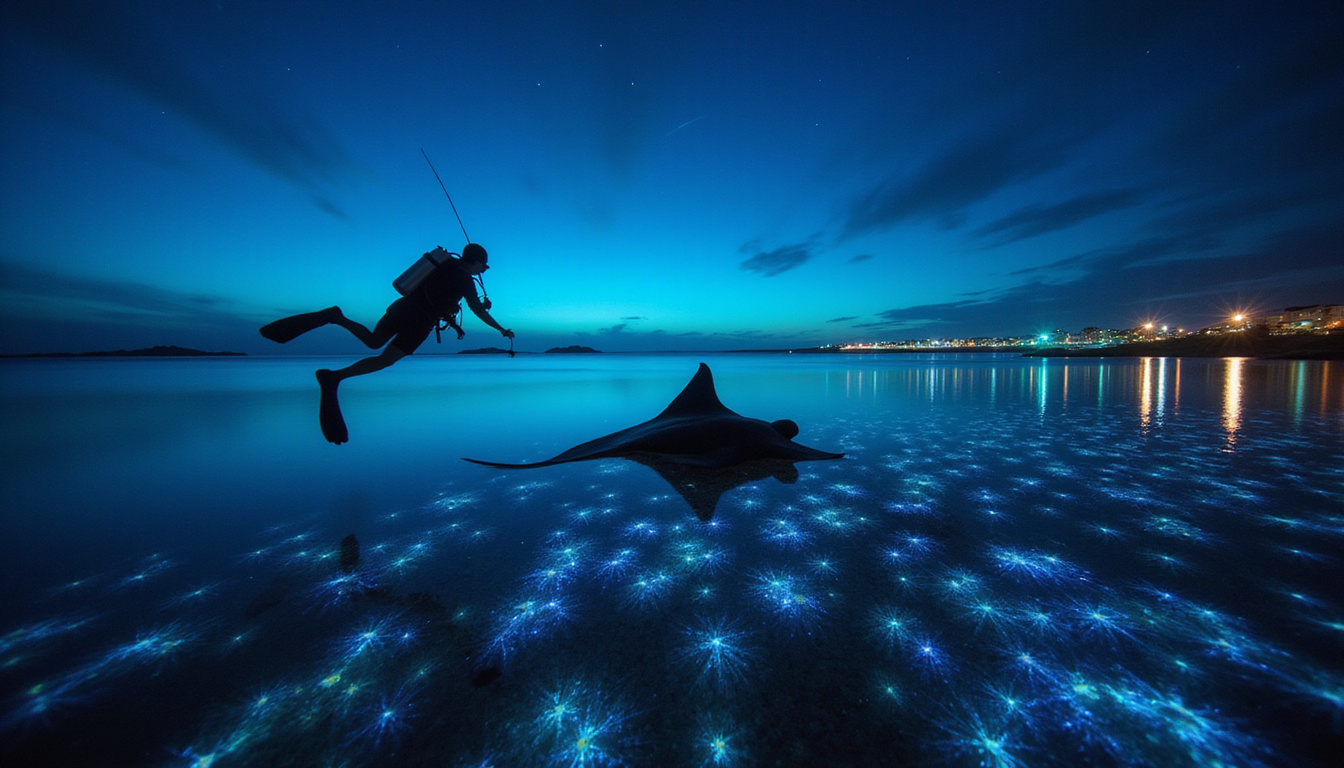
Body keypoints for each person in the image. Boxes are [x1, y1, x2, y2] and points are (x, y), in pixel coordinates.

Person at [259, 243, 514, 443]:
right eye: (483, 266)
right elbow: (477, 310)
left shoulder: (443, 263)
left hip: (402, 308)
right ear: (476, 261)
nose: (483, 271)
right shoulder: (465, 281)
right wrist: (501, 329)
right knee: (385, 360)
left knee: (373, 341)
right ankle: (334, 377)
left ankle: (336, 318)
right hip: (419, 323)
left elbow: (439, 292)